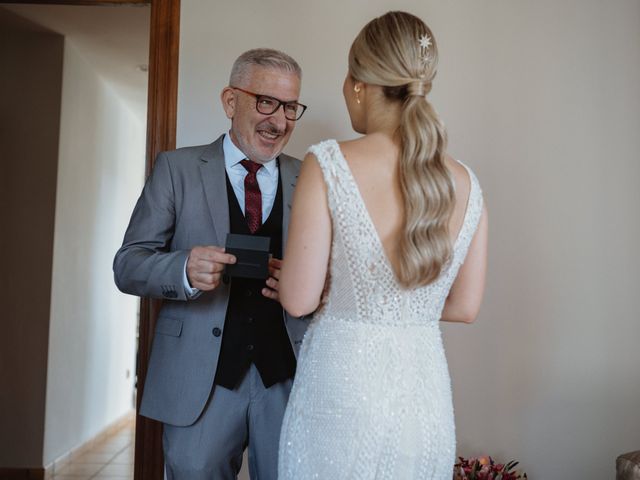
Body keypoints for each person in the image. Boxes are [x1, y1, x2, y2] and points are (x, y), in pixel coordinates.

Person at [277, 11, 488, 479]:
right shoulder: (466, 183)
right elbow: (466, 306)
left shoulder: (328, 162)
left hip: (342, 393)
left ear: (358, 83)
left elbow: (297, 299)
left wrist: (339, 293)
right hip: (424, 400)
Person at [113, 48, 310, 480]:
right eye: (266, 102)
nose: (278, 121)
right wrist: (183, 269)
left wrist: (311, 286)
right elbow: (128, 264)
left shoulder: (312, 176)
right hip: (199, 379)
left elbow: (334, 276)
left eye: (290, 106)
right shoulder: (176, 169)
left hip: (290, 378)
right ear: (230, 101)